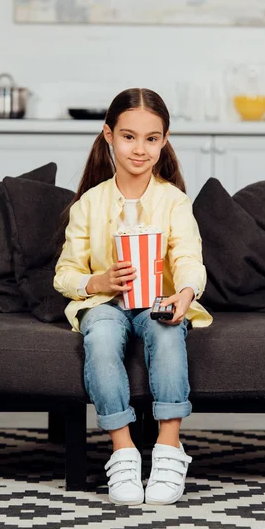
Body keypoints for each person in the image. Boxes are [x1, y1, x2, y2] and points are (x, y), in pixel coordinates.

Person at [54, 88, 213, 506]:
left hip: (157, 298)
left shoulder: (174, 201)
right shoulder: (90, 204)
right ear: (108, 135)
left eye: (151, 138)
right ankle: (122, 449)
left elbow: (189, 259)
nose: (139, 149)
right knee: (102, 336)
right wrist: (98, 282)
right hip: (106, 305)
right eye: (128, 136)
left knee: (165, 333)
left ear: (164, 141)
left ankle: (168, 447)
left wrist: (184, 292)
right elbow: (66, 274)